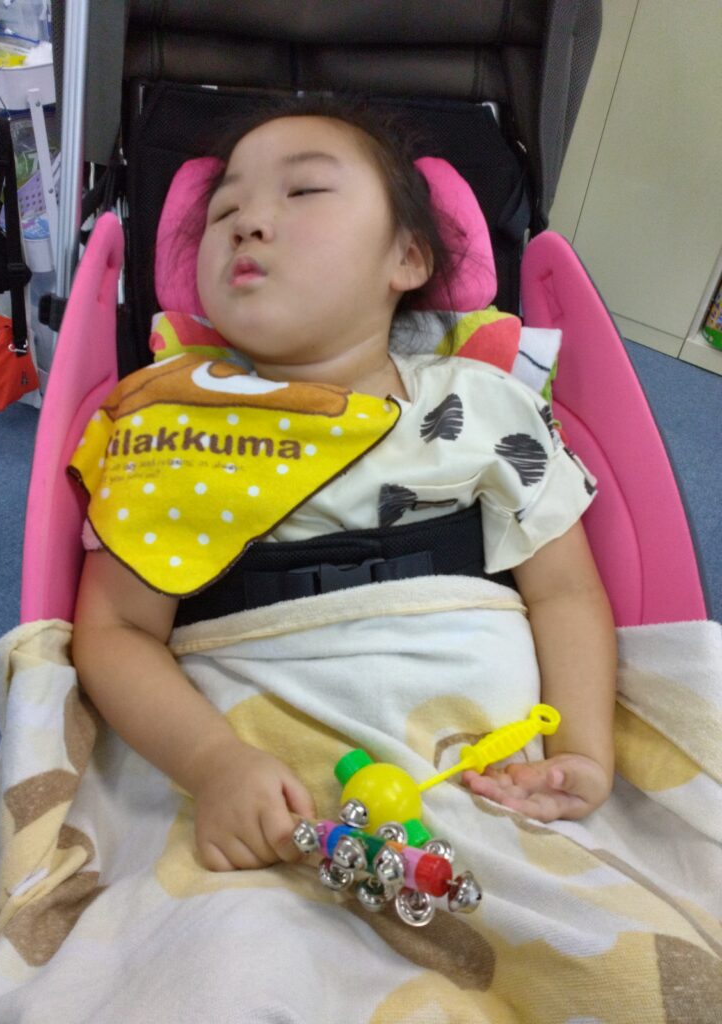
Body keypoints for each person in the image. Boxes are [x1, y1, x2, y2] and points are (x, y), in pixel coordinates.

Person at [71, 95, 617, 877]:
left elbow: (565, 593)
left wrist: (582, 753)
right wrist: (212, 763)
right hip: (260, 788)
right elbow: (115, 631)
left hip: (485, 774)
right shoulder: (168, 423)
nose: (248, 224)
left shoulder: (486, 403)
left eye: (304, 191)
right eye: (224, 211)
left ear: (408, 259)